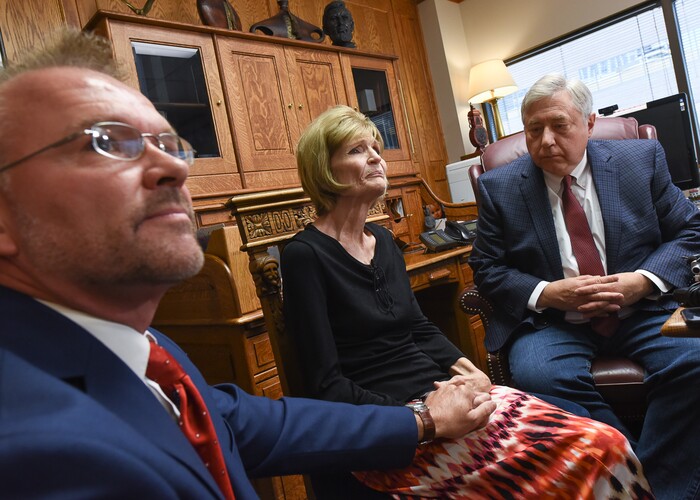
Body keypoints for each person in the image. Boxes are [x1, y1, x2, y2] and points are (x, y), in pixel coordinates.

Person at [0, 30, 500, 499]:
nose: (176, 167)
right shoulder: (29, 445)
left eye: (169, 144)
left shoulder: (149, 350)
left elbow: (247, 423)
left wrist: (425, 418)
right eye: (108, 141)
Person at [281, 104, 654, 498]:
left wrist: (471, 373)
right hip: (390, 428)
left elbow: (417, 327)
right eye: (357, 150)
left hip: (445, 399)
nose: (376, 156)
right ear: (324, 168)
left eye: (375, 146)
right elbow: (326, 385)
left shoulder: (384, 241)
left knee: (604, 441)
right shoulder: (305, 255)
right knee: (590, 454)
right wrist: (423, 417)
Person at [468, 73, 700, 500]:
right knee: (541, 376)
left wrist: (642, 280)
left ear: (590, 124)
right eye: (534, 129)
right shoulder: (500, 186)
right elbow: (486, 266)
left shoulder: (640, 160)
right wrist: (546, 292)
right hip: (555, 322)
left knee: (696, 360)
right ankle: (622, 469)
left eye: (560, 125)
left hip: (641, 310)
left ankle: (655, 488)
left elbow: (691, 231)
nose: (546, 140)